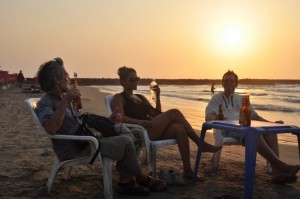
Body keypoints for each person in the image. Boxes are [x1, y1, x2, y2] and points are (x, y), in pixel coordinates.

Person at [36, 58, 167, 195]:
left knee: (133, 133)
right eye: (66, 76)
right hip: (77, 147)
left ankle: (126, 180)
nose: (68, 79)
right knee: (127, 141)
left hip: (85, 140)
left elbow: (81, 122)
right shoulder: (46, 103)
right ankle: (139, 178)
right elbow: (51, 128)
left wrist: (108, 120)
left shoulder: (62, 99)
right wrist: (66, 100)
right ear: (57, 80)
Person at [111, 66, 221, 181]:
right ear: (122, 82)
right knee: (174, 112)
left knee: (179, 128)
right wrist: (139, 122)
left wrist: (158, 96)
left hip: (151, 128)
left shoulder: (140, 97)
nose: (136, 81)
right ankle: (200, 143)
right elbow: (120, 118)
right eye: (132, 79)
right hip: (140, 132)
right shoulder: (119, 97)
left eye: (137, 78)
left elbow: (156, 114)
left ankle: (188, 170)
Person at [205, 70, 300, 184]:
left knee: (270, 132)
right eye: (226, 81)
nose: (228, 83)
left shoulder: (241, 99)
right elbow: (208, 117)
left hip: (245, 127)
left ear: (236, 83)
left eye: (231, 80)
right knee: (253, 133)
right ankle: (281, 165)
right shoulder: (216, 99)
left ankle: (276, 173)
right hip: (227, 129)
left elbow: (255, 117)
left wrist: (271, 123)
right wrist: (216, 116)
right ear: (222, 83)